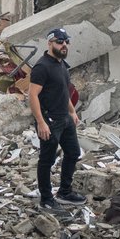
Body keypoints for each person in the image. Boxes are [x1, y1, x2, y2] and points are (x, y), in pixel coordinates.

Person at [30, 27, 82, 210]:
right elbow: (33, 95)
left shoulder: (61, 65)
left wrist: (72, 111)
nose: (64, 45)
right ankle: (46, 199)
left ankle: (64, 192)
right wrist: (41, 122)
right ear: (50, 43)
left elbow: (64, 91)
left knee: (74, 153)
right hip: (50, 121)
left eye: (66, 41)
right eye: (60, 42)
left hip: (65, 119)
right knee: (47, 160)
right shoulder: (42, 67)